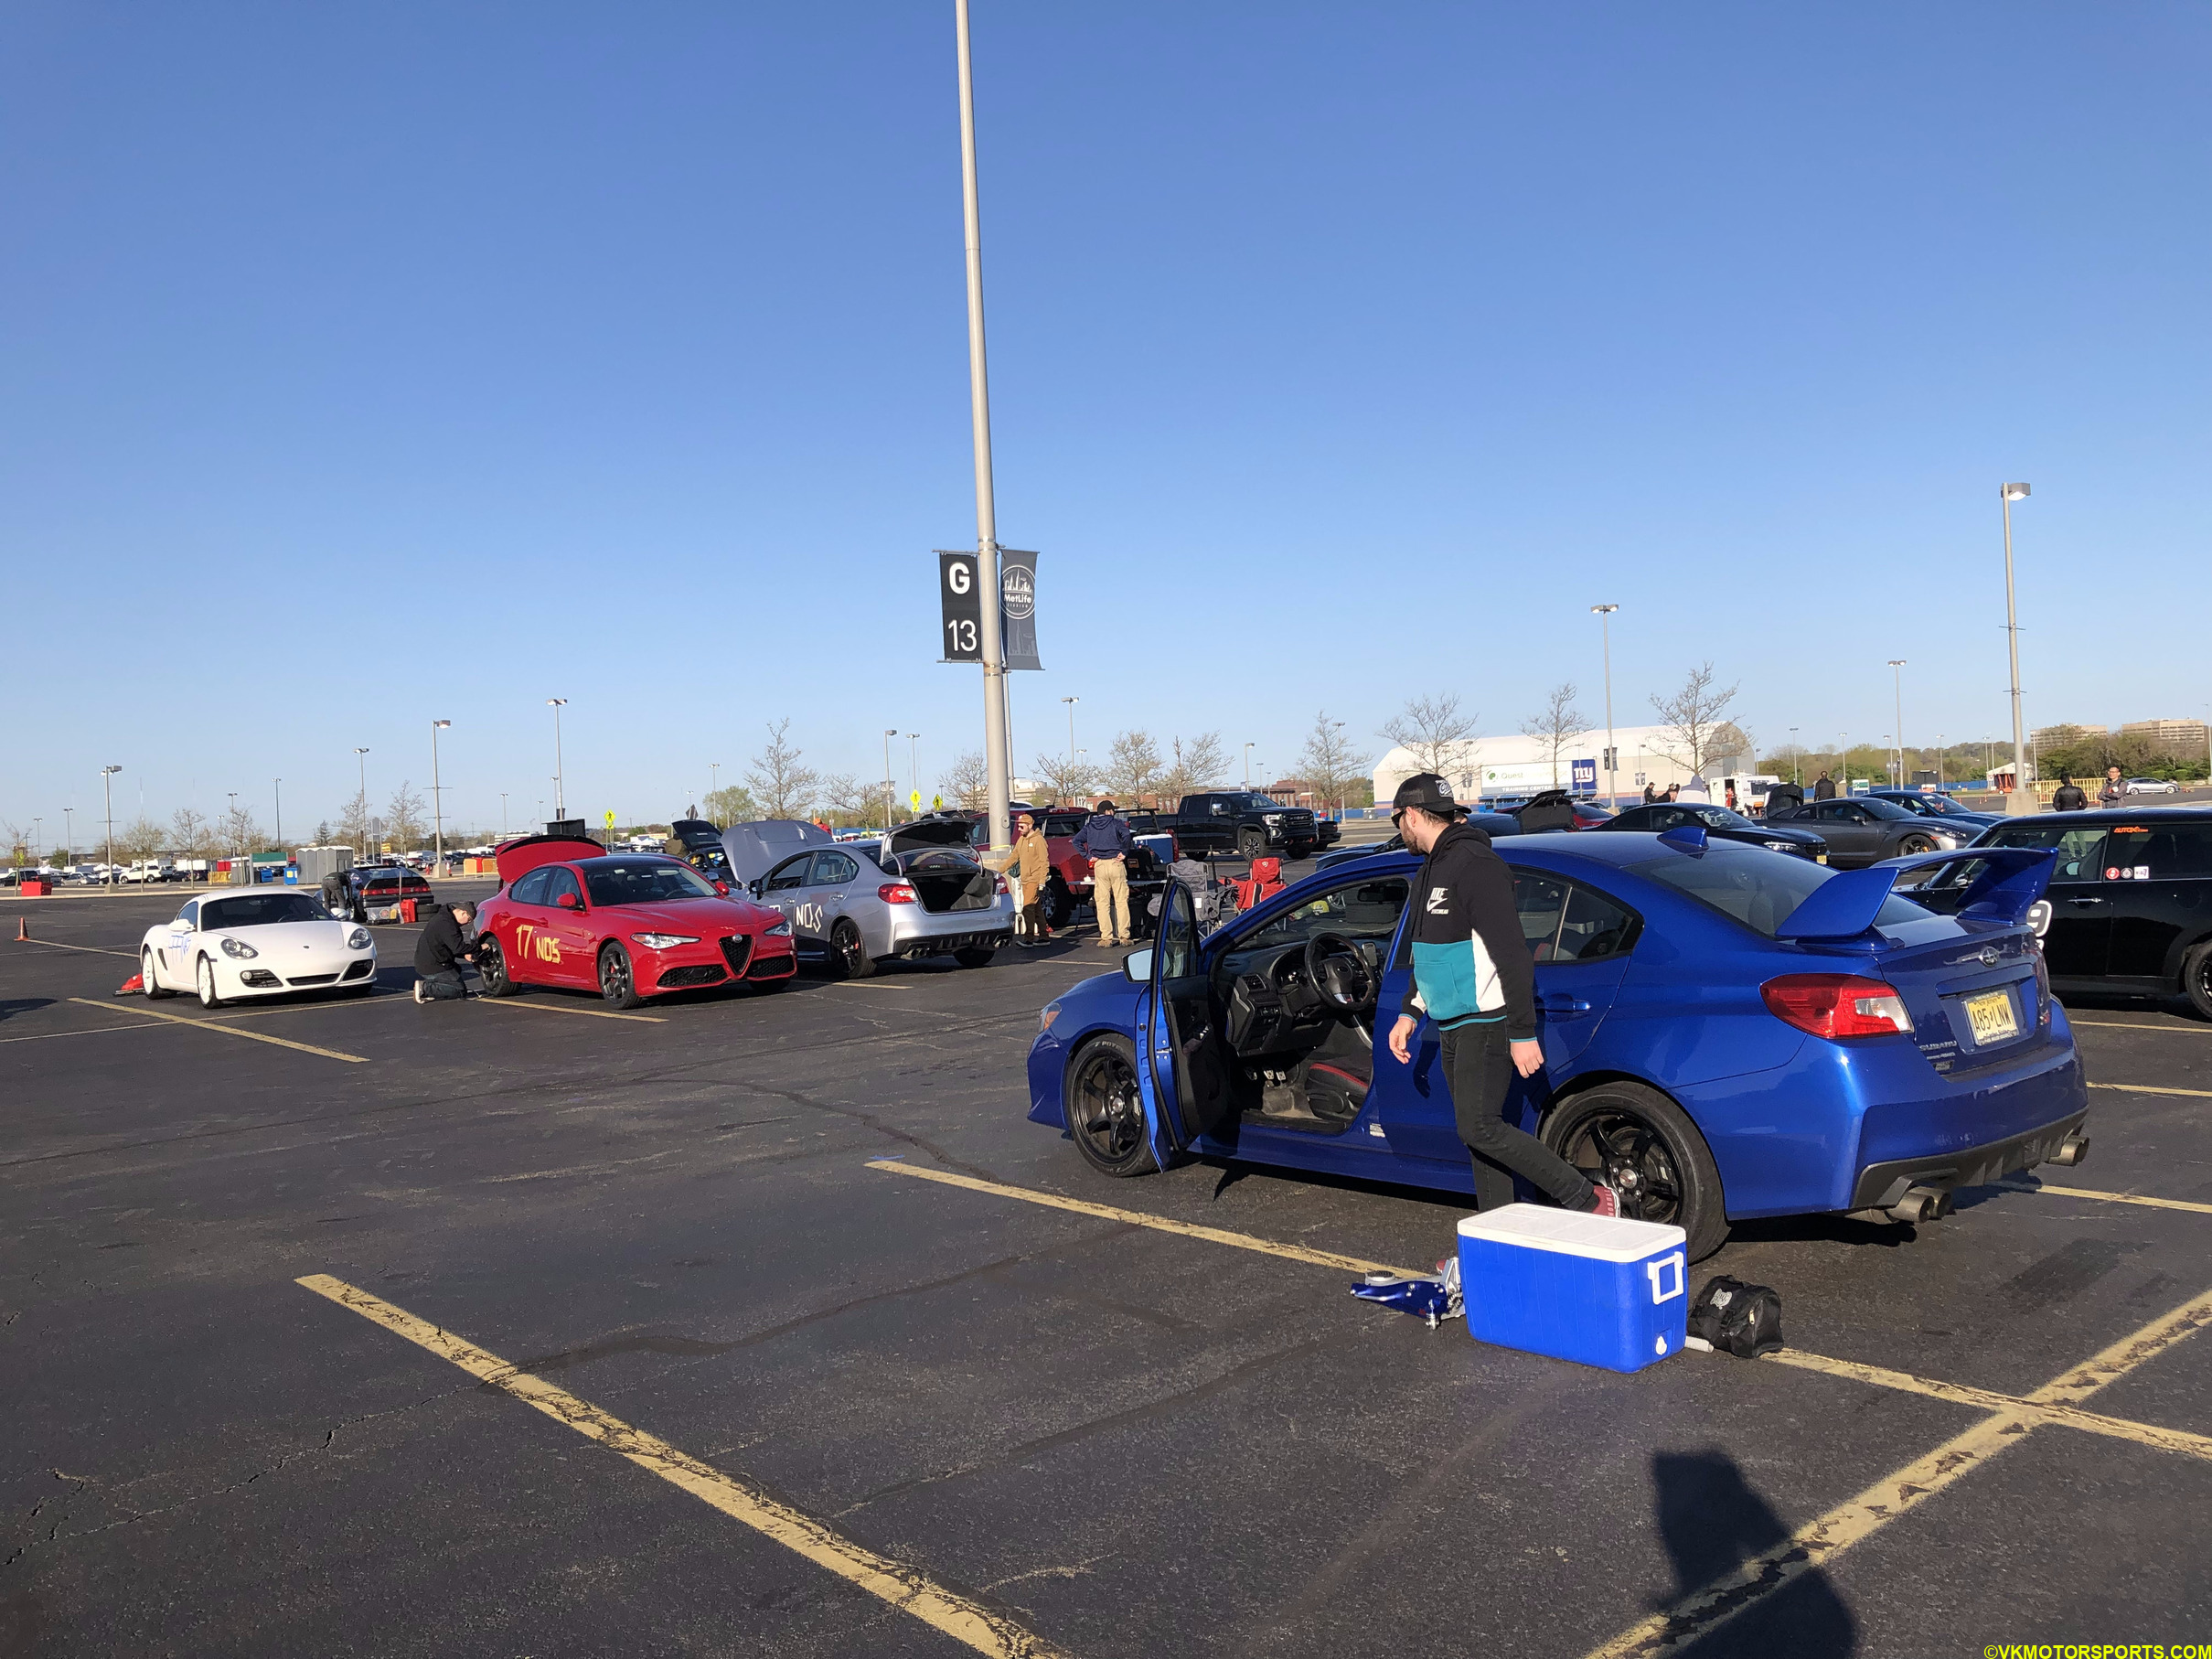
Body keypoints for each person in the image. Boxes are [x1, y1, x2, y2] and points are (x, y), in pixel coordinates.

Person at [1383, 773, 1620, 1218]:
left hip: (1486, 1020)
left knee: (1480, 1126)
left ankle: (1586, 1197)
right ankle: (1499, 1232)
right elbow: (1427, 955)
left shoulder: (1476, 865)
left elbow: (1512, 952)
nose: (1399, 829)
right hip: (1451, 1023)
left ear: (1411, 814)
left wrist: (1522, 1031)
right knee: (1478, 1136)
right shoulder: (1427, 872)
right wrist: (1410, 1012)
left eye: (1398, 819)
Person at [1074, 799, 1136, 947]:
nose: (1113, 813)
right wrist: (1124, 852)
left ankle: (1106, 938)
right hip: (1116, 863)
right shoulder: (1116, 824)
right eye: (1112, 811)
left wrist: (1088, 856)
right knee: (1121, 901)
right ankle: (1124, 936)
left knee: (1102, 903)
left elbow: (1076, 841)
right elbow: (1127, 836)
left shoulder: (1090, 826)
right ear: (1108, 811)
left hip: (1099, 865)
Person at [412, 901, 477, 1002]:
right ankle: (426, 988)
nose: (468, 923)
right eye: (469, 920)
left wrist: (464, 954)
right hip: (434, 965)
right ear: (463, 913)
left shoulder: (443, 918)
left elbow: (451, 946)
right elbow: (458, 947)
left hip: (427, 961)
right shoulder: (447, 924)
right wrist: (480, 947)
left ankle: (435, 987)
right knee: (460, 990)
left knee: (456, 970)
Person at [1012, 812, 1052, 945]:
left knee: (1027, 908)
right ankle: (1044, 936)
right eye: (1018, 827)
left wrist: (1042, 882)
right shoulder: (1021, 840)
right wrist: (999, 870)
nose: (1019, 830)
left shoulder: (1039, 840)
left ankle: (1028, 938)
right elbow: (1014, 856)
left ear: (1030, 825)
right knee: (1036, 908)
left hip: (1034, 880)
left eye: (1022, 827)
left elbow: (1044, 862)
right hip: (1025, 879)